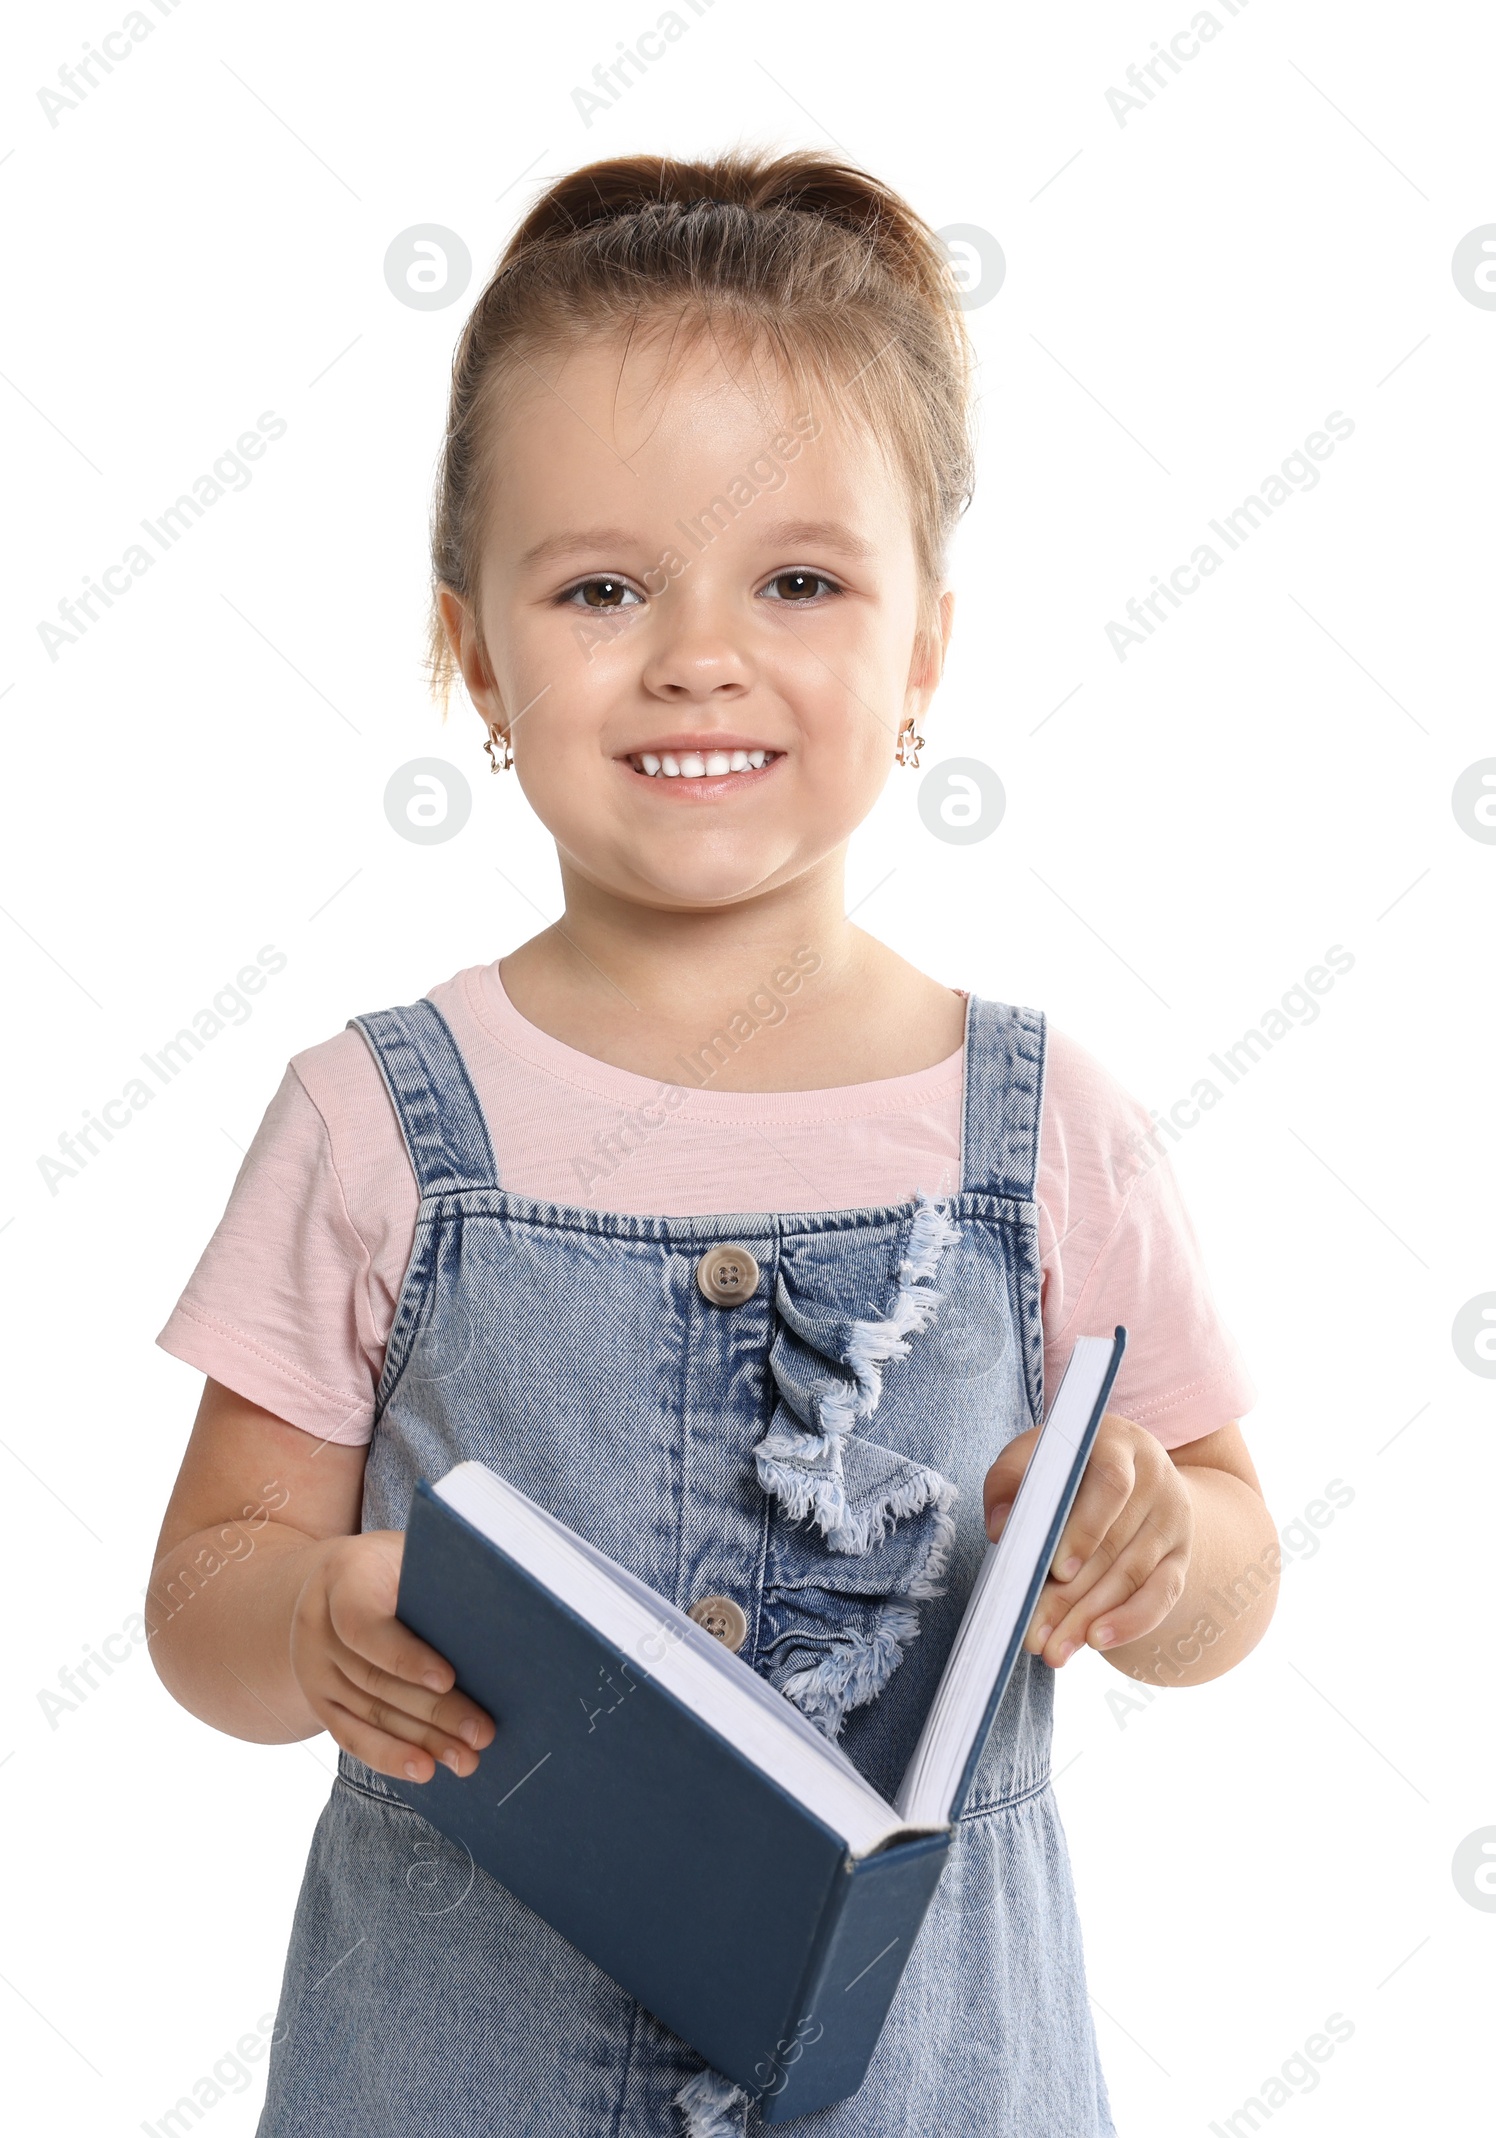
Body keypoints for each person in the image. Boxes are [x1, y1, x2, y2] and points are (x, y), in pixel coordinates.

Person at [147, 149, 1275, 2137]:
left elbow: (1227, 1572)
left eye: (799, 581)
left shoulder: (1046, 1125)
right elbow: (207, 1597)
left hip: (941, 2078)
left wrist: (1153, 1543)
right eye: (599, 586)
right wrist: (310, 1619)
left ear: (922, 648)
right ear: (473, 655)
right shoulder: (374, 1121)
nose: (696, 654)